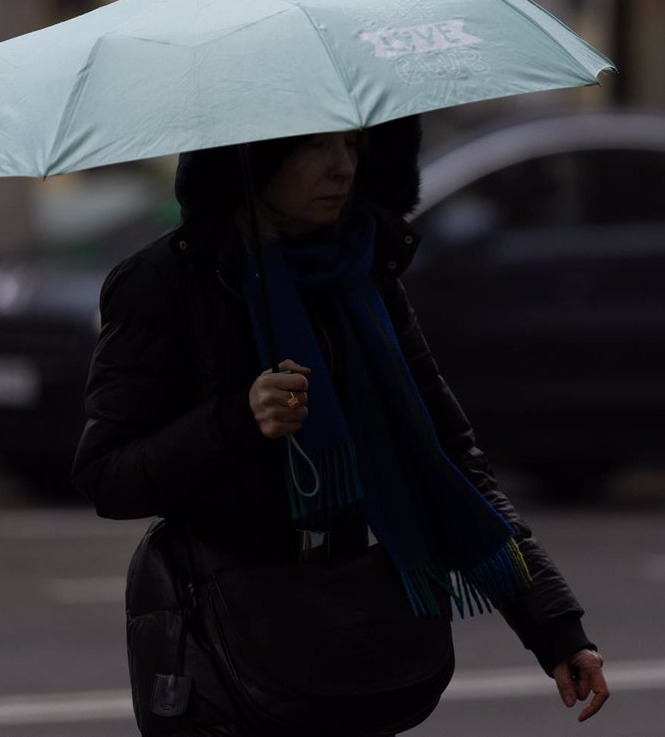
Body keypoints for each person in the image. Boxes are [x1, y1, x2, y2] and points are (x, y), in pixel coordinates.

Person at [72, 115, 609, 735]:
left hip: (350, 636)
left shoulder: (364, 272)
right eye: (314, 145)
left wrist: (556, 629)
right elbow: (106, 474)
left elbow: (452, 460)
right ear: (255, 155)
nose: (343, 166)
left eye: (353, 144)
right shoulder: (167, 283)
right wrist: (236, 420)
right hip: (220, 651)